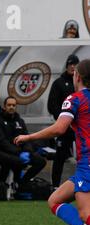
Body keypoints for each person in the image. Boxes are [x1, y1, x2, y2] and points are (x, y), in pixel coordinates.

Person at [14, 59, 90, 225]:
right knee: (55, 199)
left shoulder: (75, 99)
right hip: (84, 165)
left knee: (85, 213)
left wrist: (29, 136)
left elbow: (59, 128)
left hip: (87, 164)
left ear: (77, 76)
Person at [0, 96, 46, 187]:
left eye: (13, 105)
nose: (11, 107)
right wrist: (18, 152)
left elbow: (27, 138)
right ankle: (2, 186)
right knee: (13, 160)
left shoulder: (20, 121)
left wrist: (27, 151)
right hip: (5, 151)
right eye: (9, 105)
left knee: (41, 161)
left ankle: (22, 182)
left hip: (21, 151)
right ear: (4, 107)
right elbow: (0, 141)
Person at [47, 54, 79, 190]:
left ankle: (82, 185)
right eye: (70, 64)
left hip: (80, 127)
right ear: (66, 65)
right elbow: (52, 105)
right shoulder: (59, 83)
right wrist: (63, 120)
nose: (73, 66)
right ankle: (55, 186)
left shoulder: (82, 83)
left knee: (84, 157)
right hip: (64, 127)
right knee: (59, 156)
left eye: (75, 64)